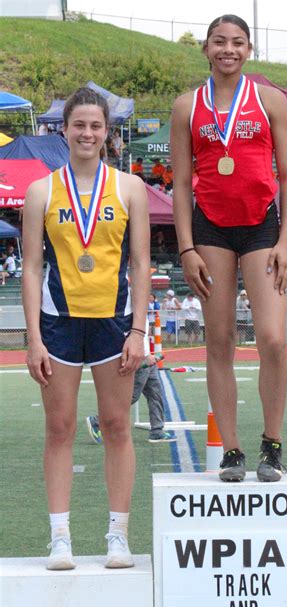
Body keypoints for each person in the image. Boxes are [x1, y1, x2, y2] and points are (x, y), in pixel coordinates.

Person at [22, 87, 150, 570]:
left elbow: (140, 263)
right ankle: (59, 536)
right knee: (60, 427)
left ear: (106, 132)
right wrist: (33, 337)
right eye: (79, 125)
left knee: (117, 425)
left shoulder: (129, 188)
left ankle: (118, 533)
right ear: (65, 129)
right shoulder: (41, 191)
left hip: (114, 322)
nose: (88, 133)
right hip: (57, 323)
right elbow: (32, 268)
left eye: (96, 126)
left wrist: (138, 330)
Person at [171, 14, 287, 483]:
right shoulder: (187, 105)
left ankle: (272, 443)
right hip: (211, 230)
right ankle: (231, 450)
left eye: (237, 42)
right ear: (205, 48)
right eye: (219, 41)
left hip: (262, 226)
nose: (228, 49)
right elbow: (182, 182)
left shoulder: (269, 101)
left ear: (249, 49)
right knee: (219, 340)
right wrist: (186, 248)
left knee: (271, 337)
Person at [86, 326, 176, 445]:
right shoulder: (137, 310)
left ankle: (157, 431)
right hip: (141, 358)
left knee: (155, 394)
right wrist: (145, 355)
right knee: (131, 396)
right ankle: (97, 421)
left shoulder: (145, 311)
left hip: (147, 358)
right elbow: (137, 332)